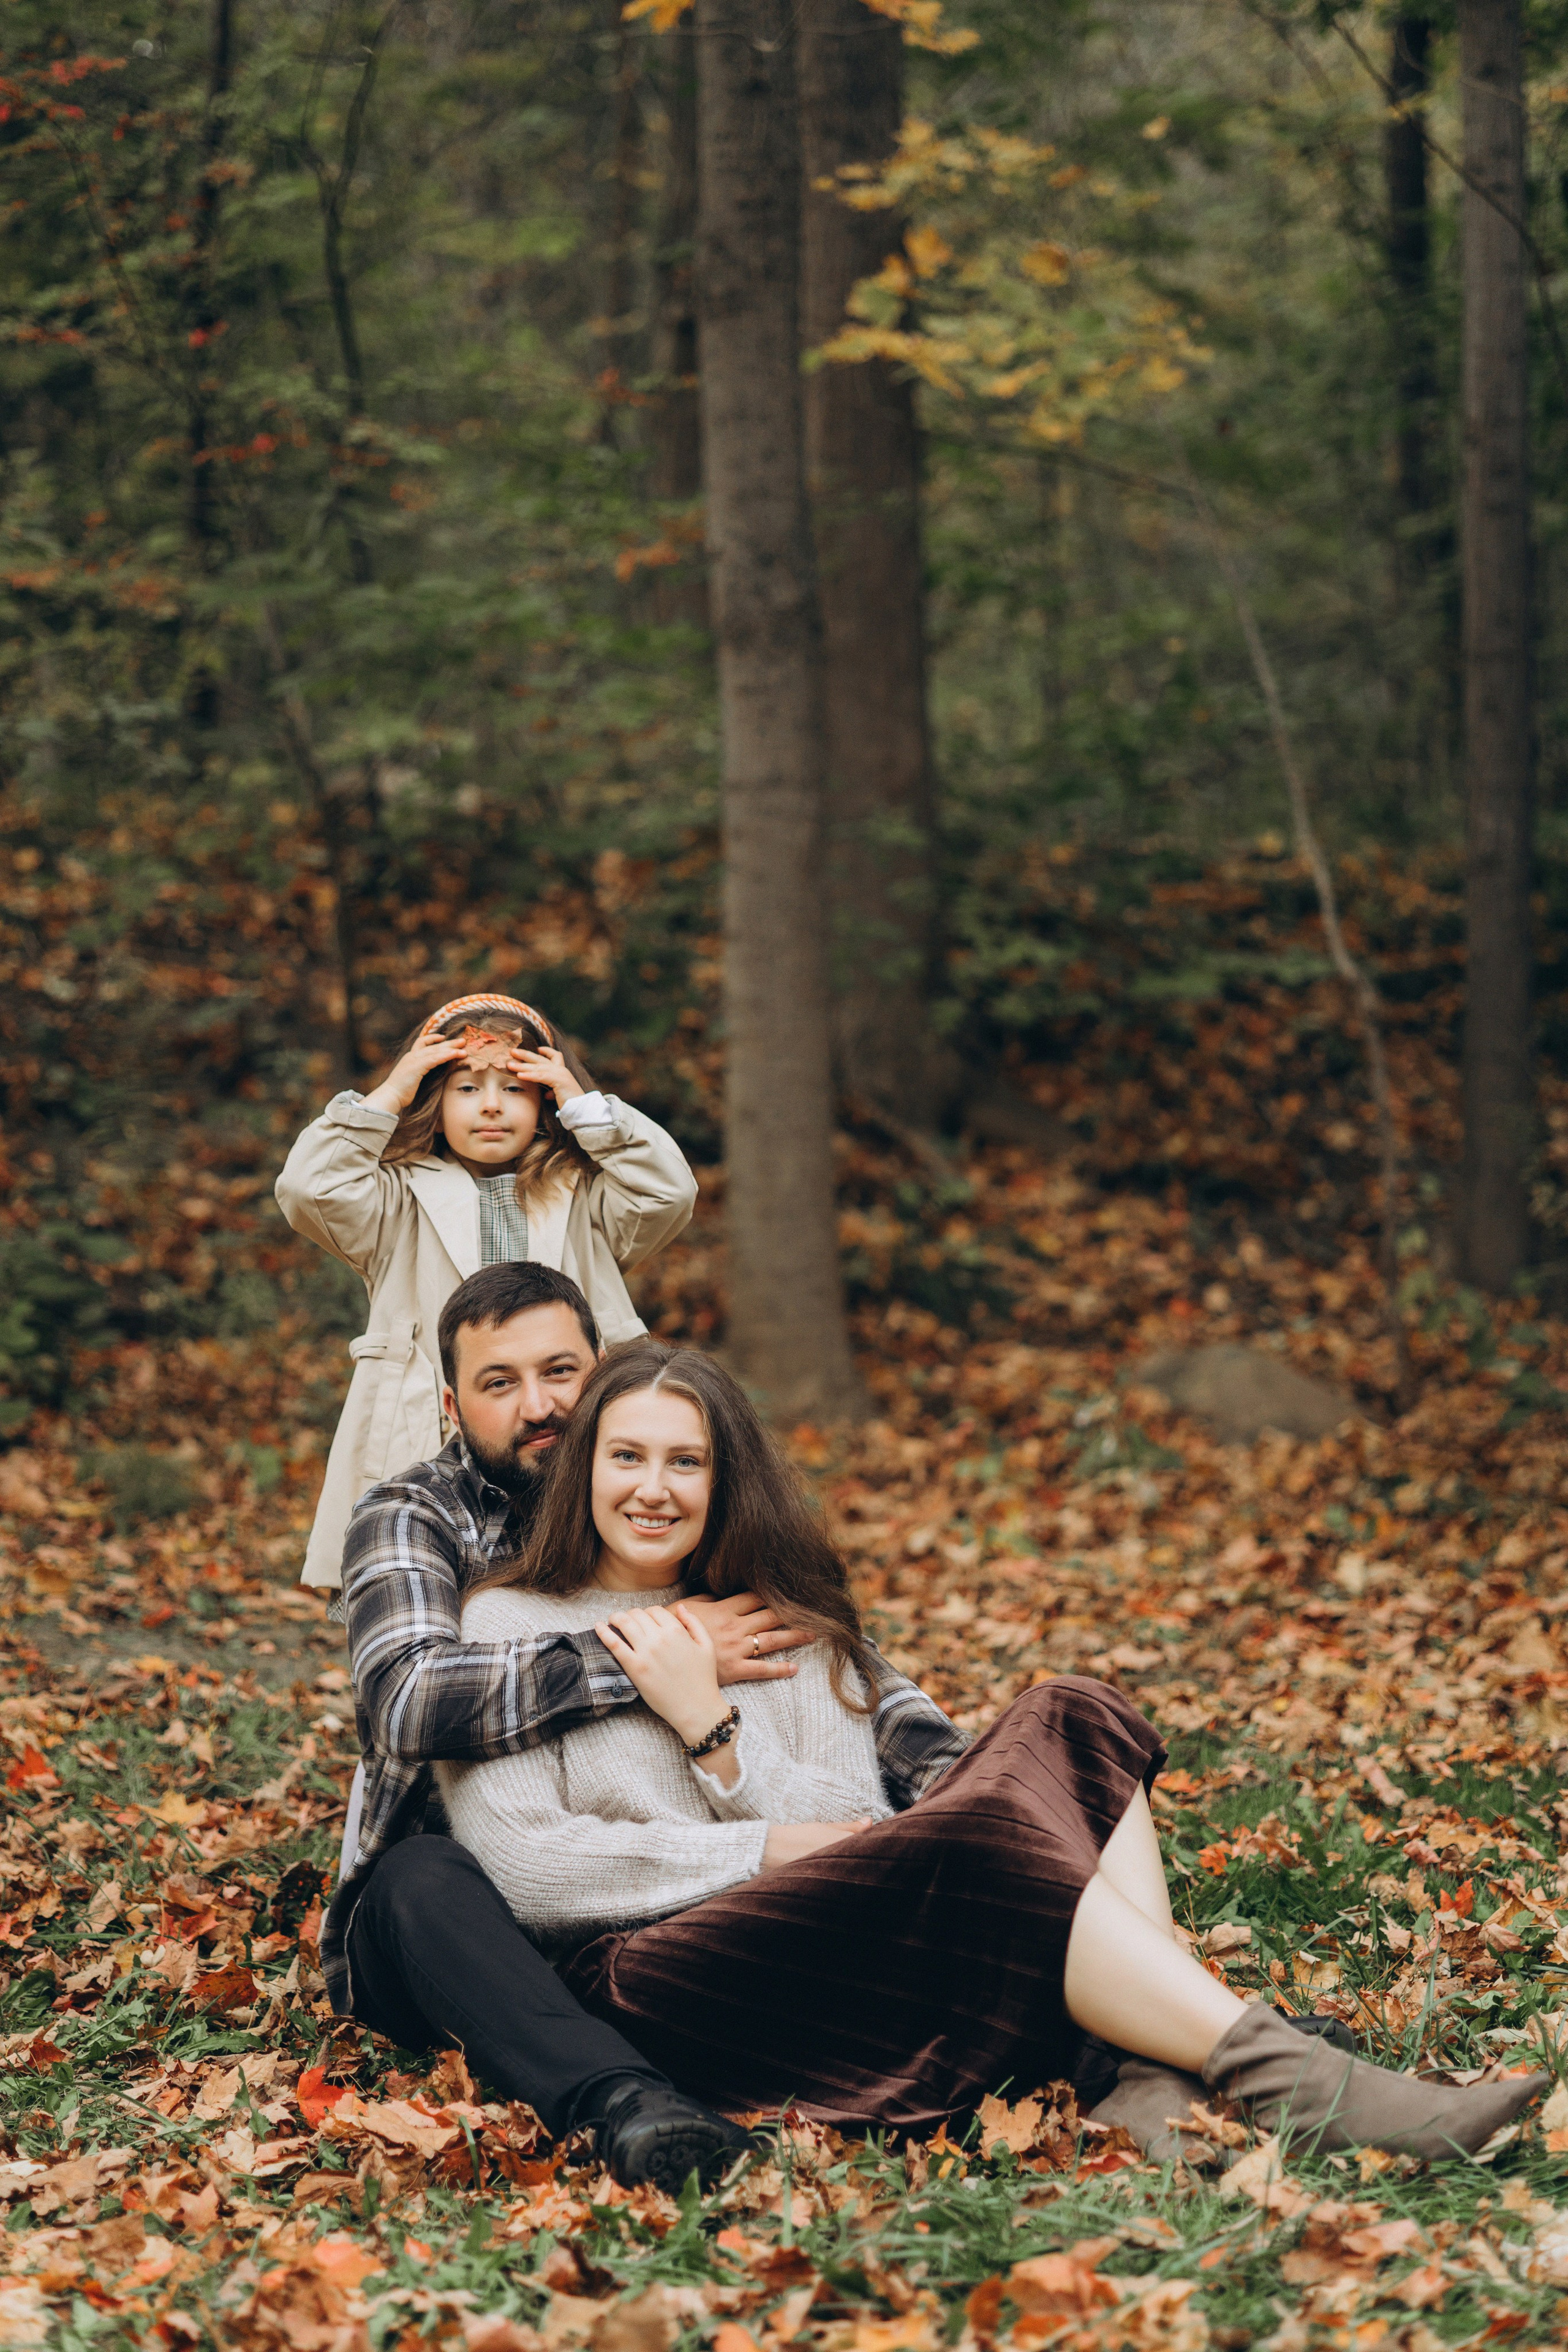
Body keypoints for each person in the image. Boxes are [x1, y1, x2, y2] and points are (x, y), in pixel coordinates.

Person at [439, 1341, 1547, 2163]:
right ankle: (1291, 2078)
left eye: (686, 1462)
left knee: (1073, 1711)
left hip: (838, 1925)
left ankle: (1143, 2076)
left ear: (724, 1482)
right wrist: (758, 1832)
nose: (653, 1488)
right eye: (626, 1454)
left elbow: (864, 1830)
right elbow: (532, 1870)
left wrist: (717, 1739)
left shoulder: (777, 1621)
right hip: (658, 1978)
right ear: (583, 1465)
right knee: (978, 1829)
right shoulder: (506, 1625)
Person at [327, 1261, 970, 2194]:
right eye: (498, 1384)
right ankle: (623, 2105)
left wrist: (962, 1791)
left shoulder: (690, 1520)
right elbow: (408, 1701)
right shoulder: (416, 1517)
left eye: (561, 1373)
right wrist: (650, 1652)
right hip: (460, 1916)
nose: (538, 1405)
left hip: (677, 1914)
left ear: (602, 1375)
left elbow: (860, 1691)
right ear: (452, 1406)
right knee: (423, 1879)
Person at [276, 992, 698, 1593]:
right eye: (467, 1088)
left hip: (559, 1425)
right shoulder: (395, 1203)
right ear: (435, 1099)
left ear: (546, 1100)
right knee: (427, 1585)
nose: (492, 1107)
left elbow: (669, 1194)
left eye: (516, 1088)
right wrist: (393, 1090)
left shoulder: (587, 1197)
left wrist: (585, 1105)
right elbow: (308, 1189)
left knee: (576, 1583)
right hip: (435, 1432)